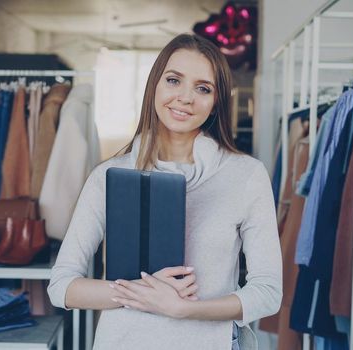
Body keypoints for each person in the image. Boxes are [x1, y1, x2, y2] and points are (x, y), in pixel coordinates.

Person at [47, 34, 281, 350]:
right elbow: (62, 287)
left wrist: (183, 309)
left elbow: (268, 293)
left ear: (215, 103)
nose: (185, 97)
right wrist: (141, 292)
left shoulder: (246, 175)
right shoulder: (109, 176)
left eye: (203, 88)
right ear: (155, 85)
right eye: (173, 80)